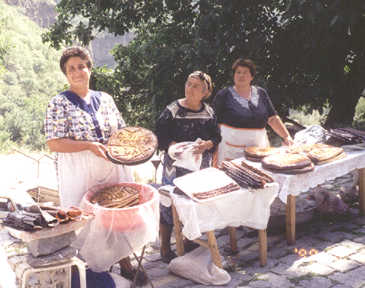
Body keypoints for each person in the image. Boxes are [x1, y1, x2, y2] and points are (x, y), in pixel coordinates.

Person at [44, 46, 146, 284]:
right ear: (66, 74)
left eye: (82, 66)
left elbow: (121, 132)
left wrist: (129, 146)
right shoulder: (58, 103)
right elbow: (54, 143)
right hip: (80, 169)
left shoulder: (106, 99)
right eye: (72, 68)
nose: (78, 71)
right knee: (87, 219)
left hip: (112, 165)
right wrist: (89, 146)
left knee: (117, 213)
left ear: (90, 69)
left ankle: (126, 264)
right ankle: (93, 270)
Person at [155, 71, 222, 263]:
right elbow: (160, 136)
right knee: (170, 203)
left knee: (193, 203)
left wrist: (207, 145)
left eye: (195, 86)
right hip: (175, 167)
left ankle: (188, 238)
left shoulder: (209, 112)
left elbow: (216, 137)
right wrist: (175, 147)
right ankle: (166, 248)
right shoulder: (172, 110)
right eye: (188, 84)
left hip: (199, 167)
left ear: (205, 92)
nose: (189, 89)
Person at [213, 58, 294, 165]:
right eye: (238, 72)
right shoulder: (223, 95)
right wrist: (212, 147)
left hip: (259, 149)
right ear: (234, 76)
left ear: (252, 77)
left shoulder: (261, 93)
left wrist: (286, 137)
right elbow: (213, 124)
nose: (241, 75)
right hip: (231, 149)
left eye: (245, 73)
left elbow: (273, 119)